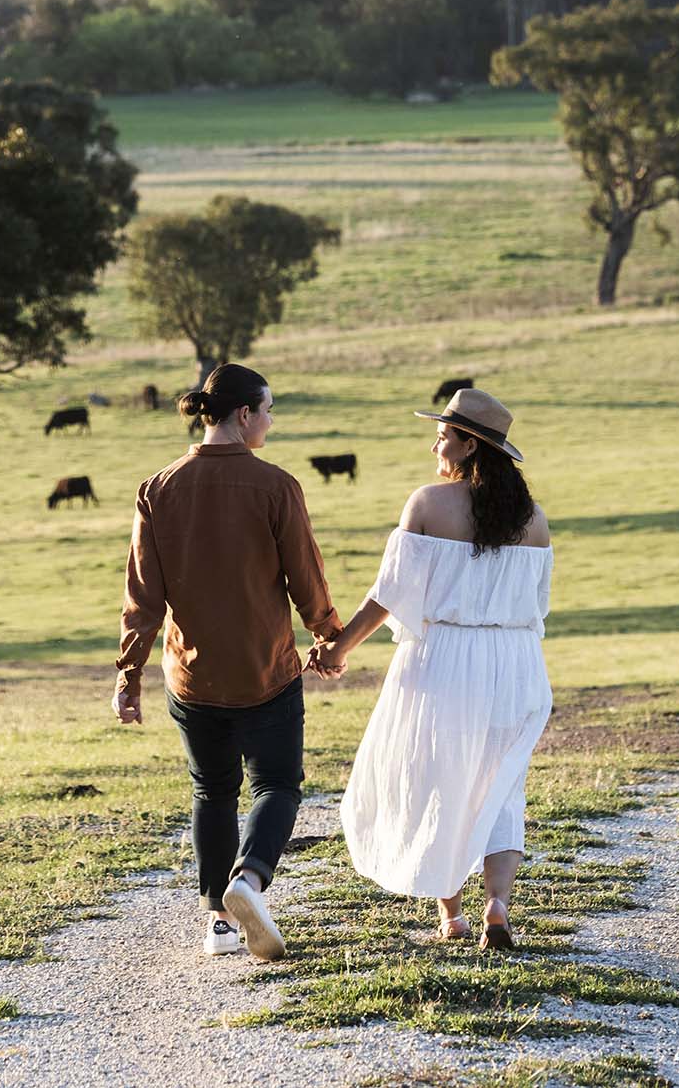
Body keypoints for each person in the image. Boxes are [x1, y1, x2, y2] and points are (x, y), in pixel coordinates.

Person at [307, 388, 551, 949]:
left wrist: (339, 648)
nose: (435, 442)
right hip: (516, 664)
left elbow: (389, 595)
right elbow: (536, 609)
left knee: (439, 778)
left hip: (445, 658)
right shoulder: (534, 521)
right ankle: (498, 905)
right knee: (501, 788)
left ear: (469, 444)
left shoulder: (428, 505)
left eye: (443, 434)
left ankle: (453, 916)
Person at [115, 363, 344, 960]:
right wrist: (328, 636)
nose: (271, 421)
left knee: (212, 791)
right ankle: (250, 879)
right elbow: (306, 578)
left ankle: (217, 922)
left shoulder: (157, 488)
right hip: (265, 671)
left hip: (192, 678)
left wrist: (128, 675)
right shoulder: (276, 486)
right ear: (244, 415)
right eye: (267, 410)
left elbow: (143, 597)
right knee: (277, 784)